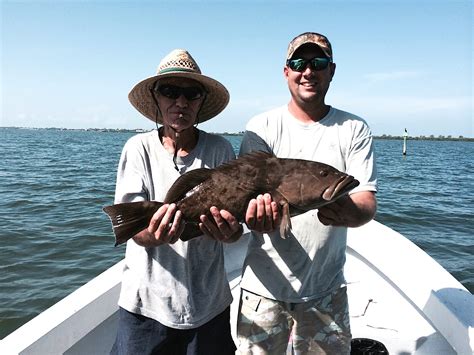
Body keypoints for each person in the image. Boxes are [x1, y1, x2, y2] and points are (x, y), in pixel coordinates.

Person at [237, 32, 378, 354]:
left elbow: (366, 202)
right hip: (262, 288)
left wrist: (349, 212)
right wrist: (252, 219)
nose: (308, 71)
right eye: (299, 63)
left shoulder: (354, 128)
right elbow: (244, 202)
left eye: (319, 63)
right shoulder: (261, 126)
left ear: (332, 69)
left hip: (326, 289)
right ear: (286, 71)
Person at [110, 49, 242, 355]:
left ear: (200, 101)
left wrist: (229, 231)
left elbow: (236, 230)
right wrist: (154, 234)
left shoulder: (221, 149)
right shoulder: (137, 148)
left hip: (209, 305)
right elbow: (135, 231)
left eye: (191, 93)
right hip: (145, 307)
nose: (180, 102)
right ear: (156, 98)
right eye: (169, 91)